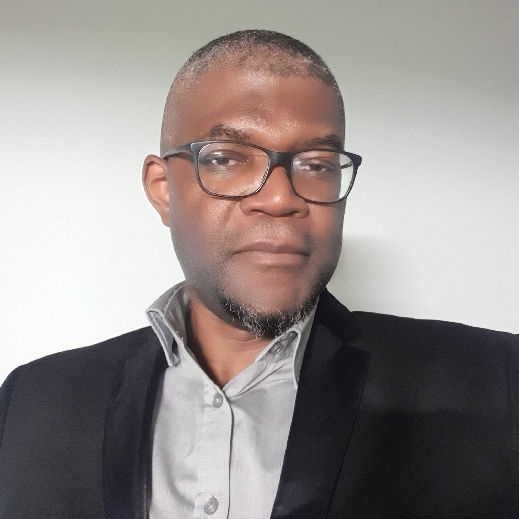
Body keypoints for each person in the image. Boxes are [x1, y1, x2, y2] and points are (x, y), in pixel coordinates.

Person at [0, 30, 518, 519]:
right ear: (162, 190)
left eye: (317, 164)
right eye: (227, 159)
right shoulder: (33, 403)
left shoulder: (495, 388)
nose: (280, 198)